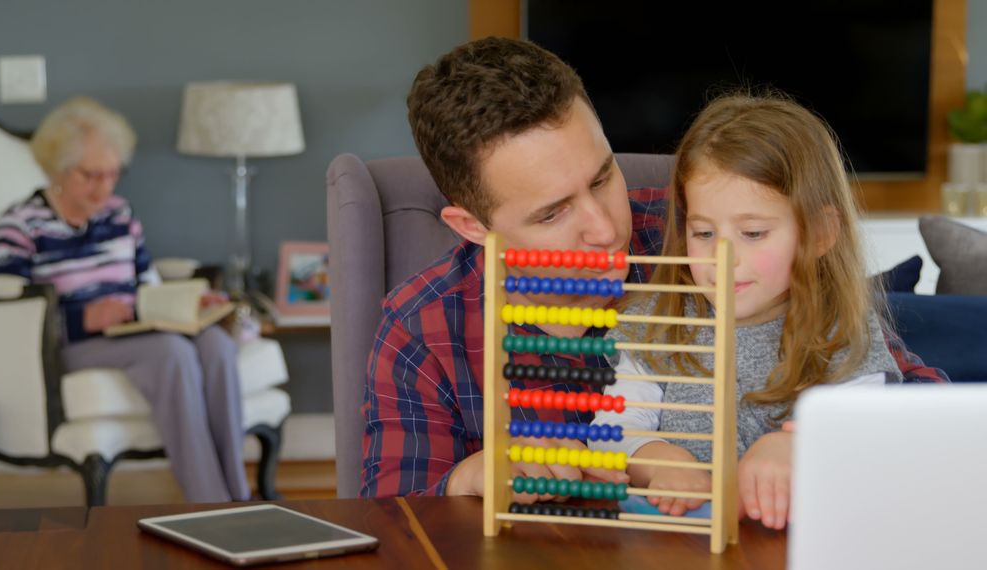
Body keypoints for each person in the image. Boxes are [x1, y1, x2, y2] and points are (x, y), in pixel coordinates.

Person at [361, 37, 947, 500]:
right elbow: (390, 518)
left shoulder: (703, 239)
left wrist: (817, 440)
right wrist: (467, 479)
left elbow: (918, 398)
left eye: (601, 177)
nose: (605, 229)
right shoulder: (422, 329)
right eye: (553, 212)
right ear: (472, 228)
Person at [591, 92, 904, 531]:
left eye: (753, 232)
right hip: (683, 546)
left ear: (819, 234)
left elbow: (873, 433)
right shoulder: (654, 324)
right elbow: (613, 429)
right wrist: (657, 460)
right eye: (703, 232)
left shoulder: (842, 330)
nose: (723, 256)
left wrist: (797, 446)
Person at [0, 97, 249, 503]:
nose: (104, 187)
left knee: (216, 345)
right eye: (90, 175)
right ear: (57, 168)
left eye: (112, 174)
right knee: (171, 353)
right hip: (73, 343)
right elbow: (5, 313)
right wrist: (81, 319)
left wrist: (188, 302)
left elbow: (146, 284)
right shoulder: (21, 223)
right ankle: (210, 504)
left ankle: (240, 495)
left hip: (135, 327)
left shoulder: (119, 215)